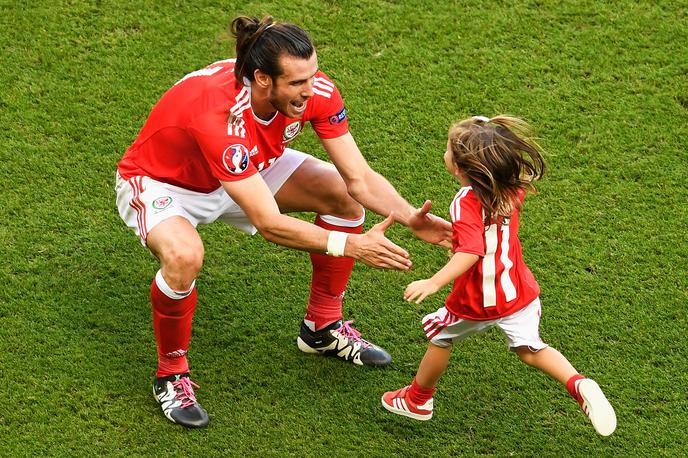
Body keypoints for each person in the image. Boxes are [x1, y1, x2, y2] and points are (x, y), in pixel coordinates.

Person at [115, 15, 451, 428]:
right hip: (166, 184)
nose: (310, 91)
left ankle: (322, 328)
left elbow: (358, 179)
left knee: (342, 197)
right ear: (261, 79)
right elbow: (269, 223)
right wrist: (351, 245)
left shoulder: (313, 90)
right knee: (185, 257)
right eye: (296, 83)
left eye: (312, 76)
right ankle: (171, 373)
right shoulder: (219, 115)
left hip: (248, 167)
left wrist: (410, 217)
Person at [381, 115, 617, 436]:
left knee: (440, 336)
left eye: (449, 150)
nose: (445, 154)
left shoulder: (465, 201)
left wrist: (434, 281)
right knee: (531, 349)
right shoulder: (512, 189)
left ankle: (418, 400)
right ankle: (578, 383)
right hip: (518, 292)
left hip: (478, 298)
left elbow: (471, 250)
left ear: (460, 168)